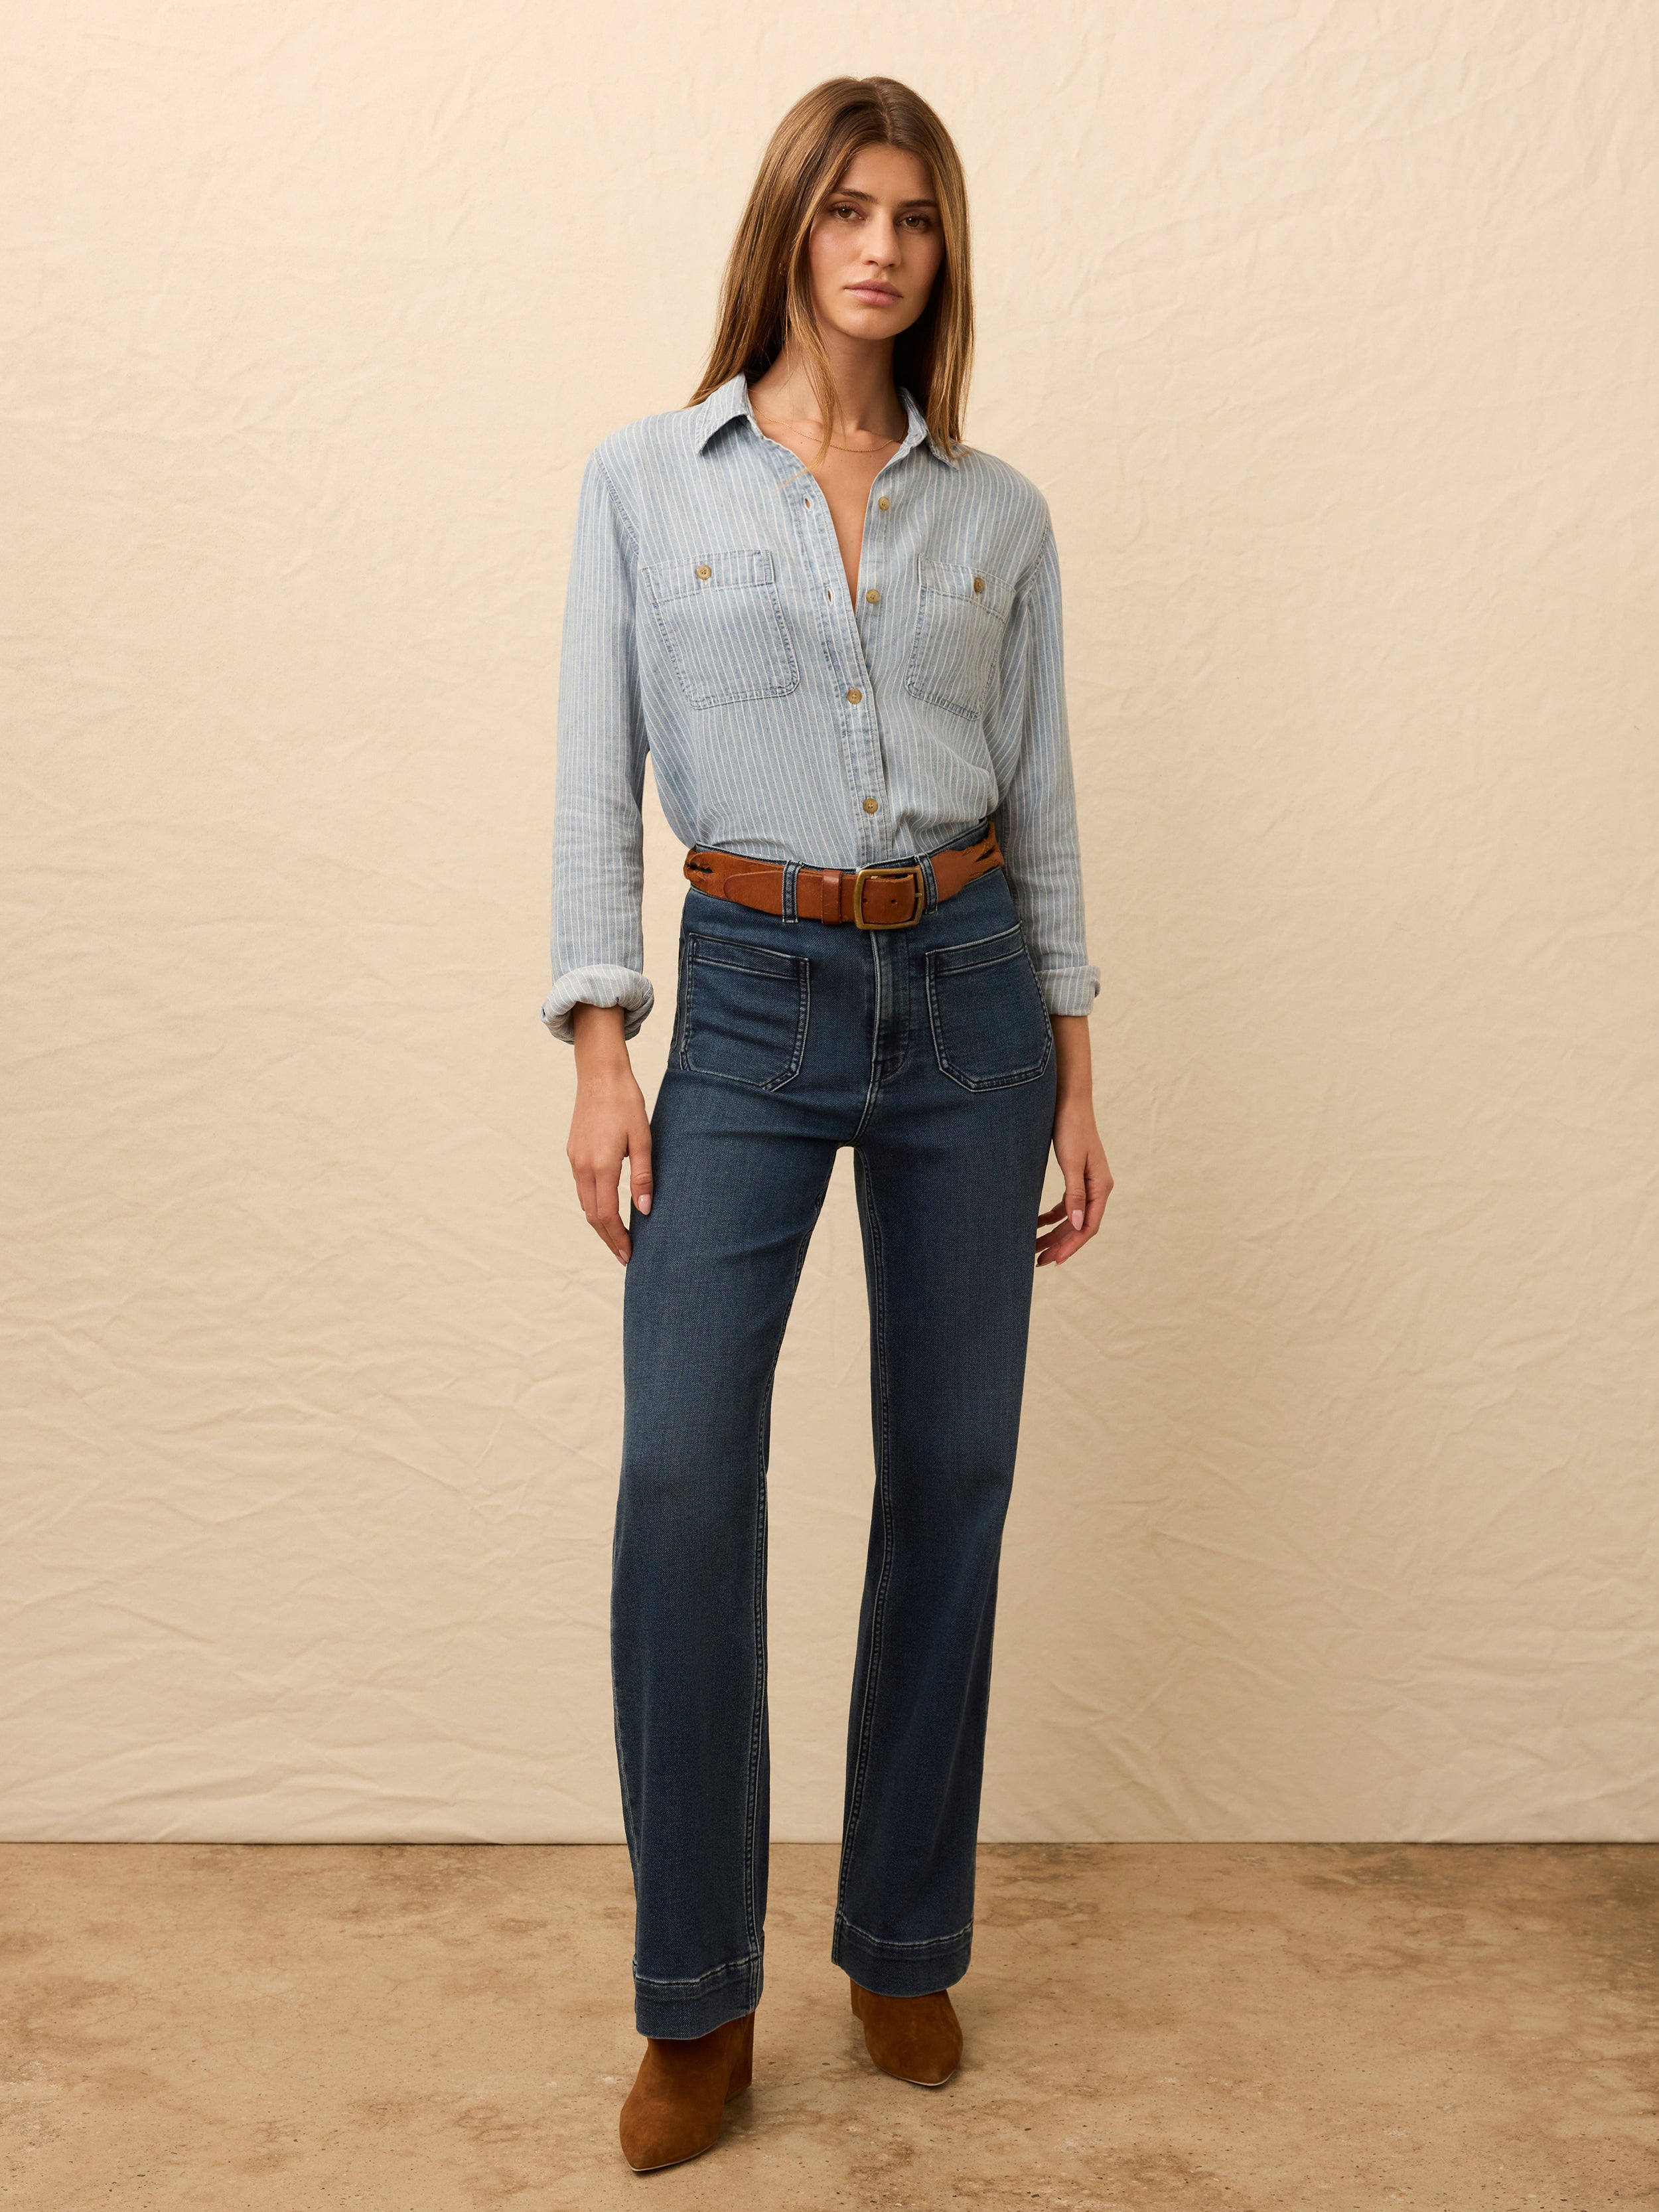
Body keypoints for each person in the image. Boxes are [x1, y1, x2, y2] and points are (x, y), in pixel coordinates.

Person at [542, 74, 1111, 2172]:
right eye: (848, 210)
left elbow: (1042, 804)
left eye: (917, 219)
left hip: (965, 998)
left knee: (951, 1469)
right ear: (788, 227)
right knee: (684, 1476)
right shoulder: (644, 480)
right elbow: (594, 778)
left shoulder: (999, 514)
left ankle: (898, 1936)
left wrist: (1070, 1068)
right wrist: (603, 1046)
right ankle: (694, 2000)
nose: (881, 248)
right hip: (755, 997)